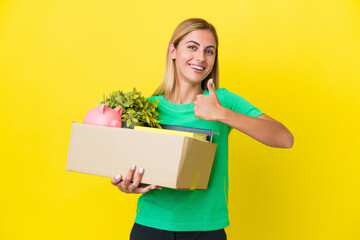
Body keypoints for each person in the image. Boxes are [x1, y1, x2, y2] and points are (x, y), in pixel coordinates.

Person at [111, 18, 294, 240]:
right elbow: (132, 167)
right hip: (150, 226)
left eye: (209, 51)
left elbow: (285, 138)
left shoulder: (222, 101)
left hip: (206, 230)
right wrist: (127, 185)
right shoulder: (148, 108)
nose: (201, 57)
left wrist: (221, 113)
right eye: (192, 47)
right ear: (173, 51)